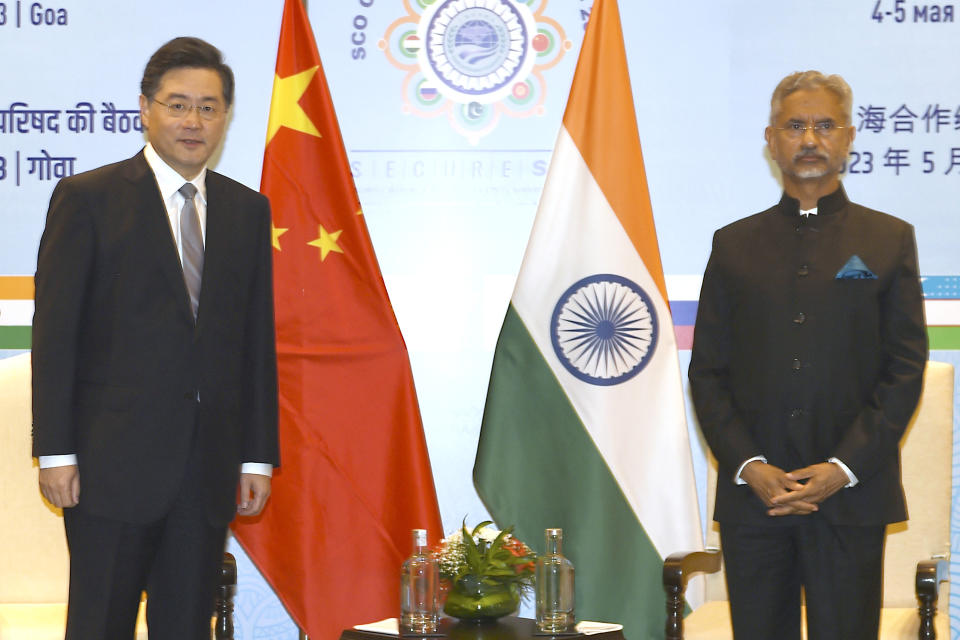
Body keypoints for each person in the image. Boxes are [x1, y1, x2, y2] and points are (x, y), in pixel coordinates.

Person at [31, 37, 279, 640]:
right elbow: (56, 333)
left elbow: (254, 343)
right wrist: (56, 451)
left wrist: (255, 455)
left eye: (209, 107)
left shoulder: (248, 211)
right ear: (145, 109)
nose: (193, 121)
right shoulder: (88, 198)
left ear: (225, 116)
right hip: (108, 468)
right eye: (178, 104)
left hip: (207, 468)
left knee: (187, 627)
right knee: (100, 625)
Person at [688, 70, 927, 639]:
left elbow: (904, 368)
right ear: (771, 141)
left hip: (852, 497)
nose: (810, 139)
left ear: (848, 138)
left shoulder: (888, 238)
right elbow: (708, 371)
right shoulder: (733, 243)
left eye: (824, 125)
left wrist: (842, 468)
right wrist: (750, 466)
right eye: (795, 126)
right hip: (756, 501)